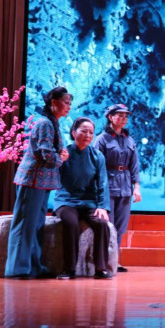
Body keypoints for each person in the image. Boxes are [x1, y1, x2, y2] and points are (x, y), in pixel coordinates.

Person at [4, 87, 71, 279]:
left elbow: (54, 151)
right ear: (53, 102)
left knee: (36, 226)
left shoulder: (53, 123)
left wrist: (62, 154)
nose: (69, 106)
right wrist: (60, 158)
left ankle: (34, 267)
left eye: (70, 103)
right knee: (25, 225)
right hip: (32, 180)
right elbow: (46, 154)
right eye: (65, 102)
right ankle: (18, 269)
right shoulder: (44, 123)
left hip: (42, 182)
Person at [54, 117, 112, 279]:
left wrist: (102, 206)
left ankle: (101, 268)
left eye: (91, 132)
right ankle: (69, 269)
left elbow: (103, 183)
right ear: (74, 133)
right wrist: (59, 161)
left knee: (101, 223)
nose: (88, 135)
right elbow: (52, 174)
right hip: (66, 201)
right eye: (84, 131)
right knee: (71, 223)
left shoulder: (97, 156)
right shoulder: (65, 153)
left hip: (89, 202)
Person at [94, 103, 141, 273]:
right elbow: (95, 165)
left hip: (125, 187)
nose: (124, 119)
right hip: (108, 186)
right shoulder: (102, 139)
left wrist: (136, 187)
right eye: (119, 115)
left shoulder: (129, 140)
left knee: (120, 226)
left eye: (125, 116)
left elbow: (134, 165)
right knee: (108, 225)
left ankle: (114, 260)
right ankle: (103, 261)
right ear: (110, 117)